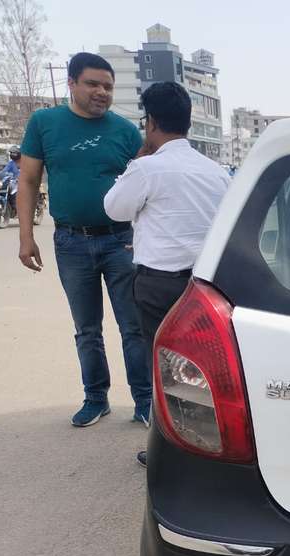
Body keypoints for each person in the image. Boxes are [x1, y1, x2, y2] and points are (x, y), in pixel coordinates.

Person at [17, 52, 151, 428]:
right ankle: (96, 398)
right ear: (71, 83)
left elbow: (146, 188)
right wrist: (26, 237)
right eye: (93, 83)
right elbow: (27, 181)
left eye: (108, 86)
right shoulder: (45, 123)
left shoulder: (125, 131)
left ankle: (144, 401)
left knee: (133, 327)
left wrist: (143, 239)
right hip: (72, 243)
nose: (101, 92)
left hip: (121, 241)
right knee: (87, 328)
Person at [104, 81, 230, 467]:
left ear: (151, 121)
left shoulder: (147, 168)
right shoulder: (217, 172)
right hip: (206, 285)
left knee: (163, 370)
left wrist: (140, 159)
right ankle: (208, 447)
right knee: (205, 370)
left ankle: (169, 454)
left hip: (158, 286)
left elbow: (114, 209)